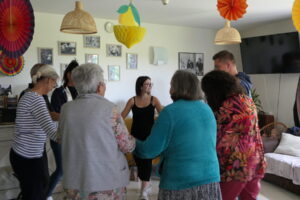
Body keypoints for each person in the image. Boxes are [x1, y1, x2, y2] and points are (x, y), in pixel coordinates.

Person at [134, 70, 221, 200]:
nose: (170, 90)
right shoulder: (207, 109)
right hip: (211, 180)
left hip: (180, 183)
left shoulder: (170, 113)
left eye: (171, 85)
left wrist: (131, 142)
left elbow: (149, 151)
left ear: (176, 88)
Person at [58, 63, 135, 200]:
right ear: (100, 86)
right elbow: (126, 146)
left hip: (75, 182)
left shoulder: (66, 109)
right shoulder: (110, 109)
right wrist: (133, 140)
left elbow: (60, 139)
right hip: (106, 183)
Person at [201, 70, 266, 200]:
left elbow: (217, 137)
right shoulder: (247, 99)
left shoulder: (227, 107)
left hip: (236, 166)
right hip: (254, 160)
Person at [10, 64, 59, 200]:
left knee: (37, 190)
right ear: (48, 80)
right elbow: (53, 134)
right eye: (54, 84)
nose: (52, 87)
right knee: (35, 195)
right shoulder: (36, 99)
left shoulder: (29, 95)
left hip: (24, 155)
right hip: (27, 158)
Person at [121, 76, 163, 200]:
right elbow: (121, 117)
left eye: (151, 84)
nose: (150, 86)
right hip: (135, 136)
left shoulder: (154, 100)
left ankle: (144, 189)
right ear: (140, 86)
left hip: (149, 137)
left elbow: (164, 115)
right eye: (147, 84)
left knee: (146, 160)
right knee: (139, 161)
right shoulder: (132, 101)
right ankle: (147, 184)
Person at [46, 60, 79, 199]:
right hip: (60, 135)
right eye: (75, 72)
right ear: (68, 74)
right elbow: (53, 115)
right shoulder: (58, 92)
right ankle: (45, 195)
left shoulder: (81, 92)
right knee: (61, 170)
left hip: (77, 136)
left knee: (76, 168)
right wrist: (71, 116)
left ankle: (72, 195)